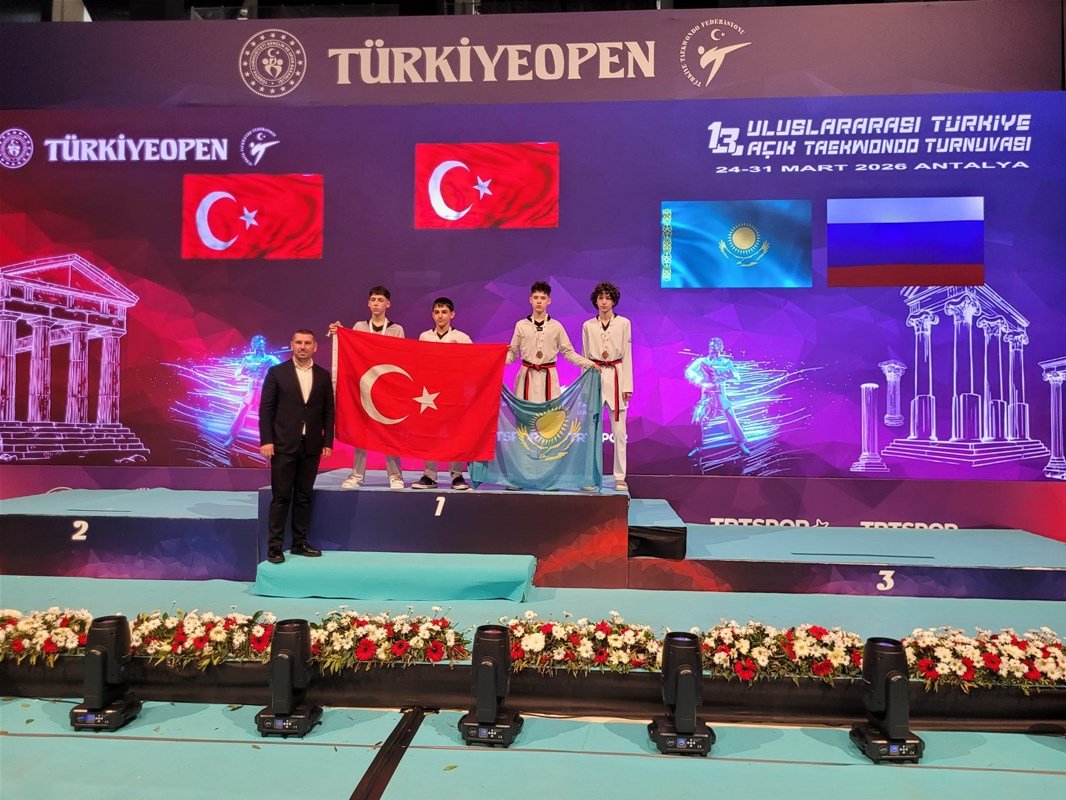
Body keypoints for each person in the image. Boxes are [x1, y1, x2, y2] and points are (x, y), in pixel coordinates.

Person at [259, 329, 334, 564]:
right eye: (299, 342)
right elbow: (266, 409)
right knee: (281, 497)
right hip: (283, 445)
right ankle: (275, 547)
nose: (303, 347)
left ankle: (300, 543)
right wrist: (267, 440)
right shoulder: (277, 372)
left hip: (311, 446)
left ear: (315, 347)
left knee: (303, 496)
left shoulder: (323, 375)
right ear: (291, 345)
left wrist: (327, 441)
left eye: (307, 343)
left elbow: (328, 411)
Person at [328, 285, 405, 489]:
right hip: (364, 386)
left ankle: (395, 475)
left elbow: (401, 357)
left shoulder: (396, 329)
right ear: (368, 304)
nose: (376, 304)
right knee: (361, 431)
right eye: (373, 300)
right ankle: (357, 474)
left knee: (390, 431)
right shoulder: (359, 327)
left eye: (380, 300)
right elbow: (352, 351)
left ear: (388, 304)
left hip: (387, 388)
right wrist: (340, 333)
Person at [411, 297, 473, 491]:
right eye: (437, 312)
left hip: (454, 392)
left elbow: (475, 361)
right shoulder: (424, 337)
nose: (440, 316)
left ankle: (457, 476)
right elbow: (418, 363)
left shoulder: (462, 338)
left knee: (455, 434)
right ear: (432, 315)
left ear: (452, 314)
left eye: (444, 312)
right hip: (430, 393)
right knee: (430, 433)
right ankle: (429, 475)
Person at [506, 280, 597, 402]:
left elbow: (569, 353)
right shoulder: (521, 325)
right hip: (526, 379)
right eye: (536, 297)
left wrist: (589, 364)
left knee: (550, 413)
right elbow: (512, 354)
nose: (539, 301)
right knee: (524, 413)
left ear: (549, 301)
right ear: (530, 300)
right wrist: (496, 359)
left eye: (543, 298)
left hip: (549, 379)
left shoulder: (556, 326)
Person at [581, 282, 633, 492]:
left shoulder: (624, 323)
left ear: (614, 301)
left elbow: (627, 355)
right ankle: (590, 477)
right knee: (591, 432)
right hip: (595, 377)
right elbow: (584, 357)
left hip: (617, 377)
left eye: (608, 298)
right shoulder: (588, 325)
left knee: (619, 433)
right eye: (600, 298)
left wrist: (627, 386)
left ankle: (620, 477)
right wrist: (585, 386)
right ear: (595, 300)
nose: (604, 302)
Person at [685, 336, 751, 455]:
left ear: (721, 348)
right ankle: (697, 446)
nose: (713, 349)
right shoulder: (702, 361)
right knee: (697, 418)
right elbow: (689, 371)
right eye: (711, 347)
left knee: (731, 418)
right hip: (706, 395)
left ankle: (740, 443)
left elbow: (737, 376)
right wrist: (701, 381)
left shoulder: (725, 362)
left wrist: (728, 375)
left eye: (716, 347)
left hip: (720, 395)